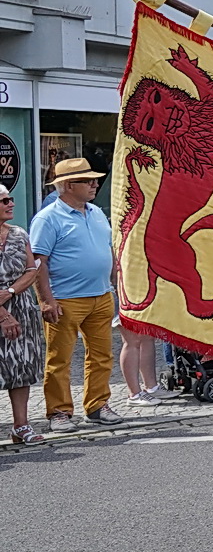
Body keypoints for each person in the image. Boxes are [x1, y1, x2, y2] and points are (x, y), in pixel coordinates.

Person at [31, 158, 122, 431]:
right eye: (87, 180)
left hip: (100, 295)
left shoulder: (95, 212)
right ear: (68, 185)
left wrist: (115, 284)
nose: (95, 184)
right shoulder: (48, 218)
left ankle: (97, 405)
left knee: (102, 355)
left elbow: (108, 251)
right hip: (66, 299)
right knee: (60, 359)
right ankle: (59, 412)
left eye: (94, 179)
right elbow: (38, 262)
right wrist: (46, 300)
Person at [0, 186, 47, 445]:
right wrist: (2, 313)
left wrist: (8, 292)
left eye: (11, 199)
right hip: (4, 308)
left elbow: (32, 269)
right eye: (4, 200)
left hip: (21, 306)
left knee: (22, 366)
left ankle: (21, 425)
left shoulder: (19, 234)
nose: (11, 203)